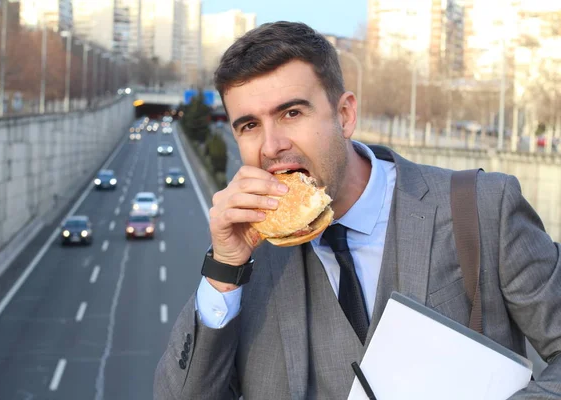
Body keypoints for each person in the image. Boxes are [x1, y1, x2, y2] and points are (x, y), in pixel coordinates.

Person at [155, 21, 561, 399]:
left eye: (291, 113)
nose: (271, 145)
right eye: (249, 125)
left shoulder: (483, 208)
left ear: (345, 115)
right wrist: (225, 268)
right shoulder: (248, 260)